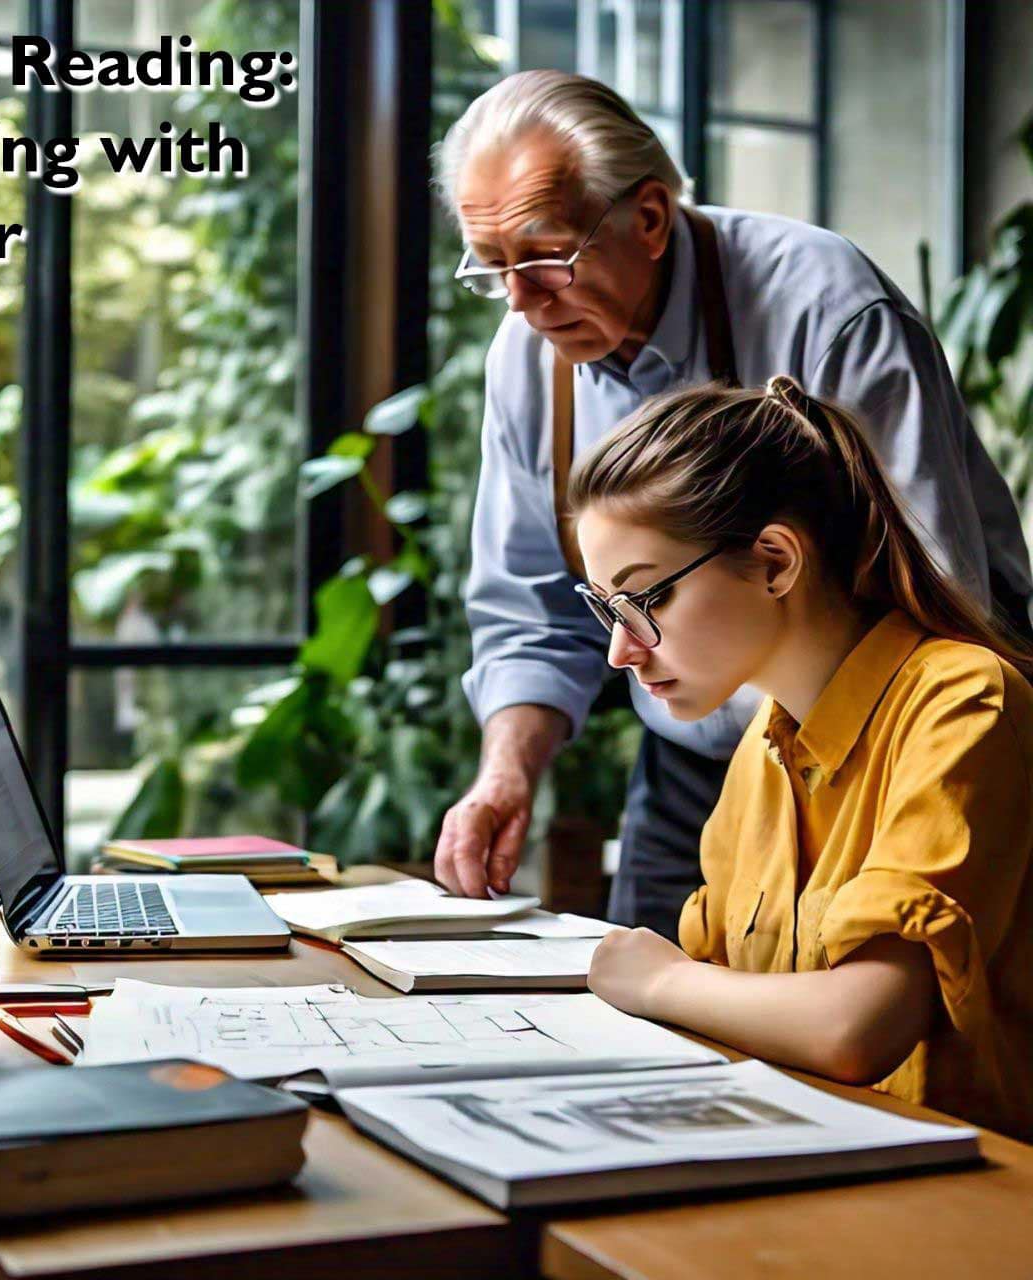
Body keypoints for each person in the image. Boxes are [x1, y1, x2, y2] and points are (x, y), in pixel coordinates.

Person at [430, 69, 1033, 938]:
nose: (521, 304)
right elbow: (529, 613)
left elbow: (930, 577)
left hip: (891, 747)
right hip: (702, 755)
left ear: (647, 217)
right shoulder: (526, 361)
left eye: (546, 255)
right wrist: (505, 777)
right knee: (650, 1021)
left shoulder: (824, 306)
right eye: (494, 272)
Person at [568, 373, 1033, 1141]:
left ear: (777, 562)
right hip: (802, 1154)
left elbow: (857, 1027)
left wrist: (663, 980)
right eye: (604, 608)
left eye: (644, 601)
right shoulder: (763, 744)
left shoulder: (963, 701)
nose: (620, 650)